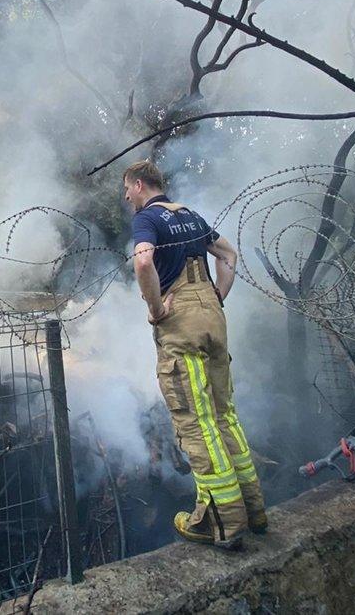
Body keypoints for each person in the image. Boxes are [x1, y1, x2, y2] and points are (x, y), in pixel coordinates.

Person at [123, 159, 267, 549]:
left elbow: (143, 261)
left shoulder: (148, 219)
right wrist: (217, 295)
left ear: (139, 185)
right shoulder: (190, 216)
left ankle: (223, 524)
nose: (126, 197)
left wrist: (155, 309)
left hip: (181, 323)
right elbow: (229, 256)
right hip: (213, 317)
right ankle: (253, 510)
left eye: (127, 189)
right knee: (225, 416)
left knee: (196, 423)